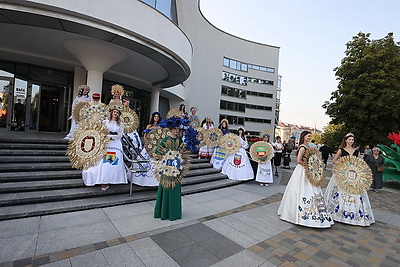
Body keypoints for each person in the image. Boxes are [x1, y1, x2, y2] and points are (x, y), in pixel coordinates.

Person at [277, 131, 333, 228]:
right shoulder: (302, 147)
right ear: (303, 137)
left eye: (310, 136)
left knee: (312, 189)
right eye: (308, 136)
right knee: (301, 190)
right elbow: (299, 160)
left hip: (308, 171)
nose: (310, 137)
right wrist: (309, 166)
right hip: (302, 171)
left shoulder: (309, 147)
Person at [324, 133, 375, 226]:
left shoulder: (356, 151)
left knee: (354, 192)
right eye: (349, 139)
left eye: (352, 140)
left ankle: (353, 214)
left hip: (354, 176)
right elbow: (334, 160)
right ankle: (338, 213)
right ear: (346, 140)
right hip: (342, 175)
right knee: (341, 192)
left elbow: (360, 162)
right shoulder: (341, 150)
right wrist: (342, 165)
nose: (351, 141)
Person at [82, 105, 128, 190]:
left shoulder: (120, 124)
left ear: (119, 114)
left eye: (117, 113)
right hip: (106, 143)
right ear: (111, 113)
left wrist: (113, 137)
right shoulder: (105, 122)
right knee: (105, 162)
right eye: (114, 112)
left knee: (114, 162)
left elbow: (120, 134)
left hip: (116, 144)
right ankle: (104, 180)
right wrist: (106, 137)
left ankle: (112, 179)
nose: (115, 114)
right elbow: (101, 131)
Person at [153, 117, 189, 220]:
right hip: (167, 169)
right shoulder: (165, 140)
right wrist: (165, 157)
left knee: (175, 190)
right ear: (170, 129)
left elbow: (183, 153)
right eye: (174, 129)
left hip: (177, 169)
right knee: (165, 189)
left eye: (178, 129)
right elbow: (158, 152)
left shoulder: (179, 140)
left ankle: (174, 213)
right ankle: (163, 212)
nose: (177, 130)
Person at [123, 99, 158, 187]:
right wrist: (146, 142)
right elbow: (145, 135)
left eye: (157, 117)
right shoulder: (149, 126)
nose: (156, 118)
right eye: (155, 116)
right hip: (148, 145)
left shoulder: (160, 127)